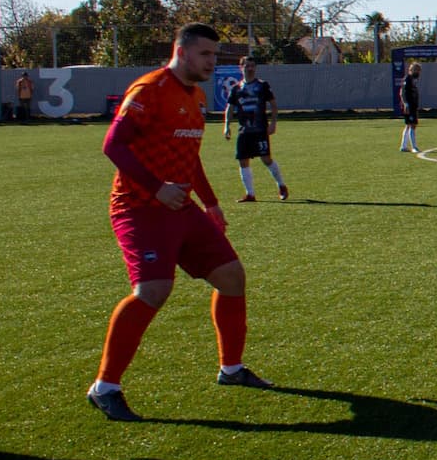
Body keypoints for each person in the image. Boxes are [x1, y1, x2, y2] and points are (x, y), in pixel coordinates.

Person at [87, 23, 274, 421]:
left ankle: (231, 369)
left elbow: (190, 156)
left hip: (181, 207)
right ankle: (105, 387)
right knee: (153, 290)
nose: (212, 62)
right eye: (205, 54)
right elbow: (113, 145)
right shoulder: (149, 90)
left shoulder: (196, 97)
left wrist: (211, 203)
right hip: (139, 207)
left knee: (231, 276)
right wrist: (156, 189)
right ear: (182, 51)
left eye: (214, 55)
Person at [221, 56, 288, 201]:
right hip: (244, 131)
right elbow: (230, 108)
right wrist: (227, 126)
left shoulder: (262, 85)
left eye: (252, 66)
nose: (250, 69)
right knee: (243, 160)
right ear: (241, 68)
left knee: (266, 159)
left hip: (260, 130)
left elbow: (273, 105)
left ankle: (281, 185)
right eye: (247, 66)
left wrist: (273, 123)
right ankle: (250, 194)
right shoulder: (236, 88)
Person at [400, 61, 423, 152]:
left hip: (413, 106)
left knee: (409, 125)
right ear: (412, 70)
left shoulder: (413, 80)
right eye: (417, 70)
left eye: (419, 71)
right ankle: (414, 147)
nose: (418, 72)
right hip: (409, 106)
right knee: (412, 125)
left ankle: (403, 146)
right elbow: (403, 93)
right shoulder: (407, 79)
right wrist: (406, 104)